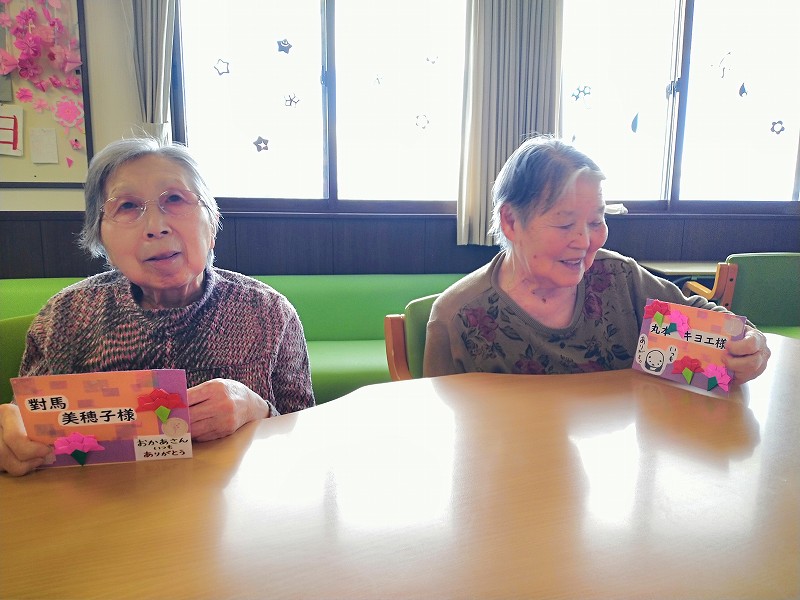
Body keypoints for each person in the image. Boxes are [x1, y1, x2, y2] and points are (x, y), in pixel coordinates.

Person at [0, 137, 314, 476]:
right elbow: (25, 431)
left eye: (175, 199)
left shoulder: (268, 312)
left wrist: (260, 410)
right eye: (127, 206)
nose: (156, 227)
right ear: (101, 237)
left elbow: (305, 437)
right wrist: (11, 442)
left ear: (212, 223)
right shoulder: (65, 316)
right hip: (102, 504)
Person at [424, 135, 771, 382]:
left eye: (596, 221)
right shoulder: (460, 318)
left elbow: (713, 332)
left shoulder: (620, 281)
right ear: (511, 222)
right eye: (565, 224)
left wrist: (747, 348)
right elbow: (445, 434)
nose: (585, 241)